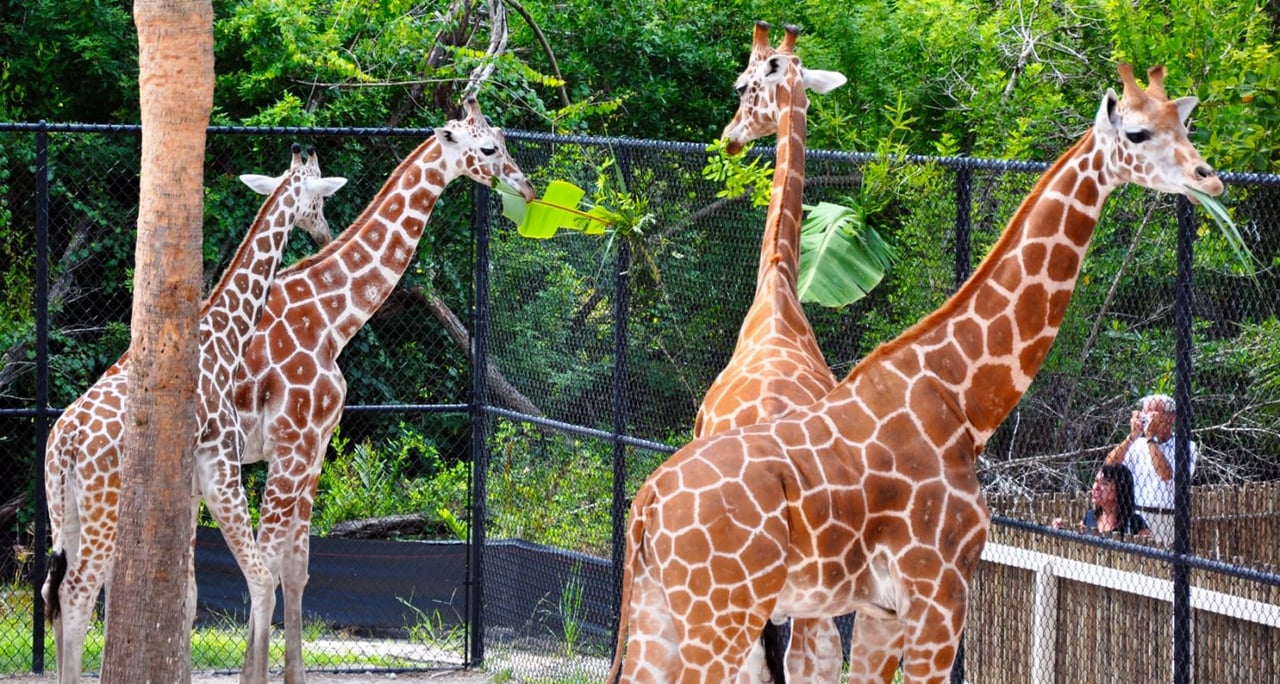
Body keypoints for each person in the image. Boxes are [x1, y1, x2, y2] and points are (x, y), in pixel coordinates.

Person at [1103, 393, 1198, 544]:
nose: (1148, 418)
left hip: (1166, 518)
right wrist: (1132, 436)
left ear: (1171, 418)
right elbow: (1108, 467)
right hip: (1136, 517)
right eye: (1144, 413)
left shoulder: (1186, 447)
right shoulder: (1137, 445)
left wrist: (1151, 439)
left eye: (1153, 413)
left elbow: (1166, 475)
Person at [1053, 464, 1151, 536]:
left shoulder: (1135, 524)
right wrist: (1062, 526)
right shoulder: (1090, 517)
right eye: (1096, 481)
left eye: (1104, 483)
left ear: (1120, 491)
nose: (1095, 487)